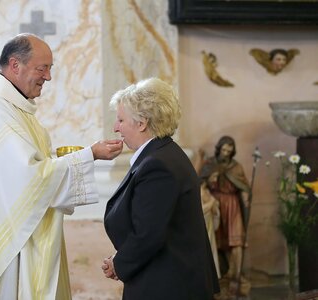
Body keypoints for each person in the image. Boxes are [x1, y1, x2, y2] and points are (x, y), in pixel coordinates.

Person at [0, 33, 123, 300]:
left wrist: (71, 158)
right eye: (42, 68)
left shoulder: (13, 109)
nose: (48, 77)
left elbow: (29, 168)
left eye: (50, 68)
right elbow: (29, 178)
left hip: (19, 233)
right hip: (9, 243)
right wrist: (89, 155)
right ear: (15, 65)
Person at [101, 77, 219, 299]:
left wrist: (119, 263)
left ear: (142, 122)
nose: (115, 128)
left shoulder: (157, 164)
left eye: (120, 120)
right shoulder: (163, 154)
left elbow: (149, 233)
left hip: (168, 285)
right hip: (166, 279)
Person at [199, 136, 250, 287]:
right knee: (216, 242)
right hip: (215, 205)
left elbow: (244, 186)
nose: (226, 153)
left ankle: (237, 275)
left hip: (233, 204)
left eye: (229, 150)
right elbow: (200, 182)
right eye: (224, 149)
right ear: (219, 148)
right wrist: (210, 180)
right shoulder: (210, 164)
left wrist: (246, 194)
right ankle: (219, 277)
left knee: (237, 241)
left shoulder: (236, 167)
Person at [201, 171, 221, 279]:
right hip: (202, 231)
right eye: (214, 177)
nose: (215, 180)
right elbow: (199, 211)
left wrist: (215, 207)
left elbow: (214, 211)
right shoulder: (198, 192)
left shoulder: (207, 192)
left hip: (210, 229)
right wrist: (212, 203)